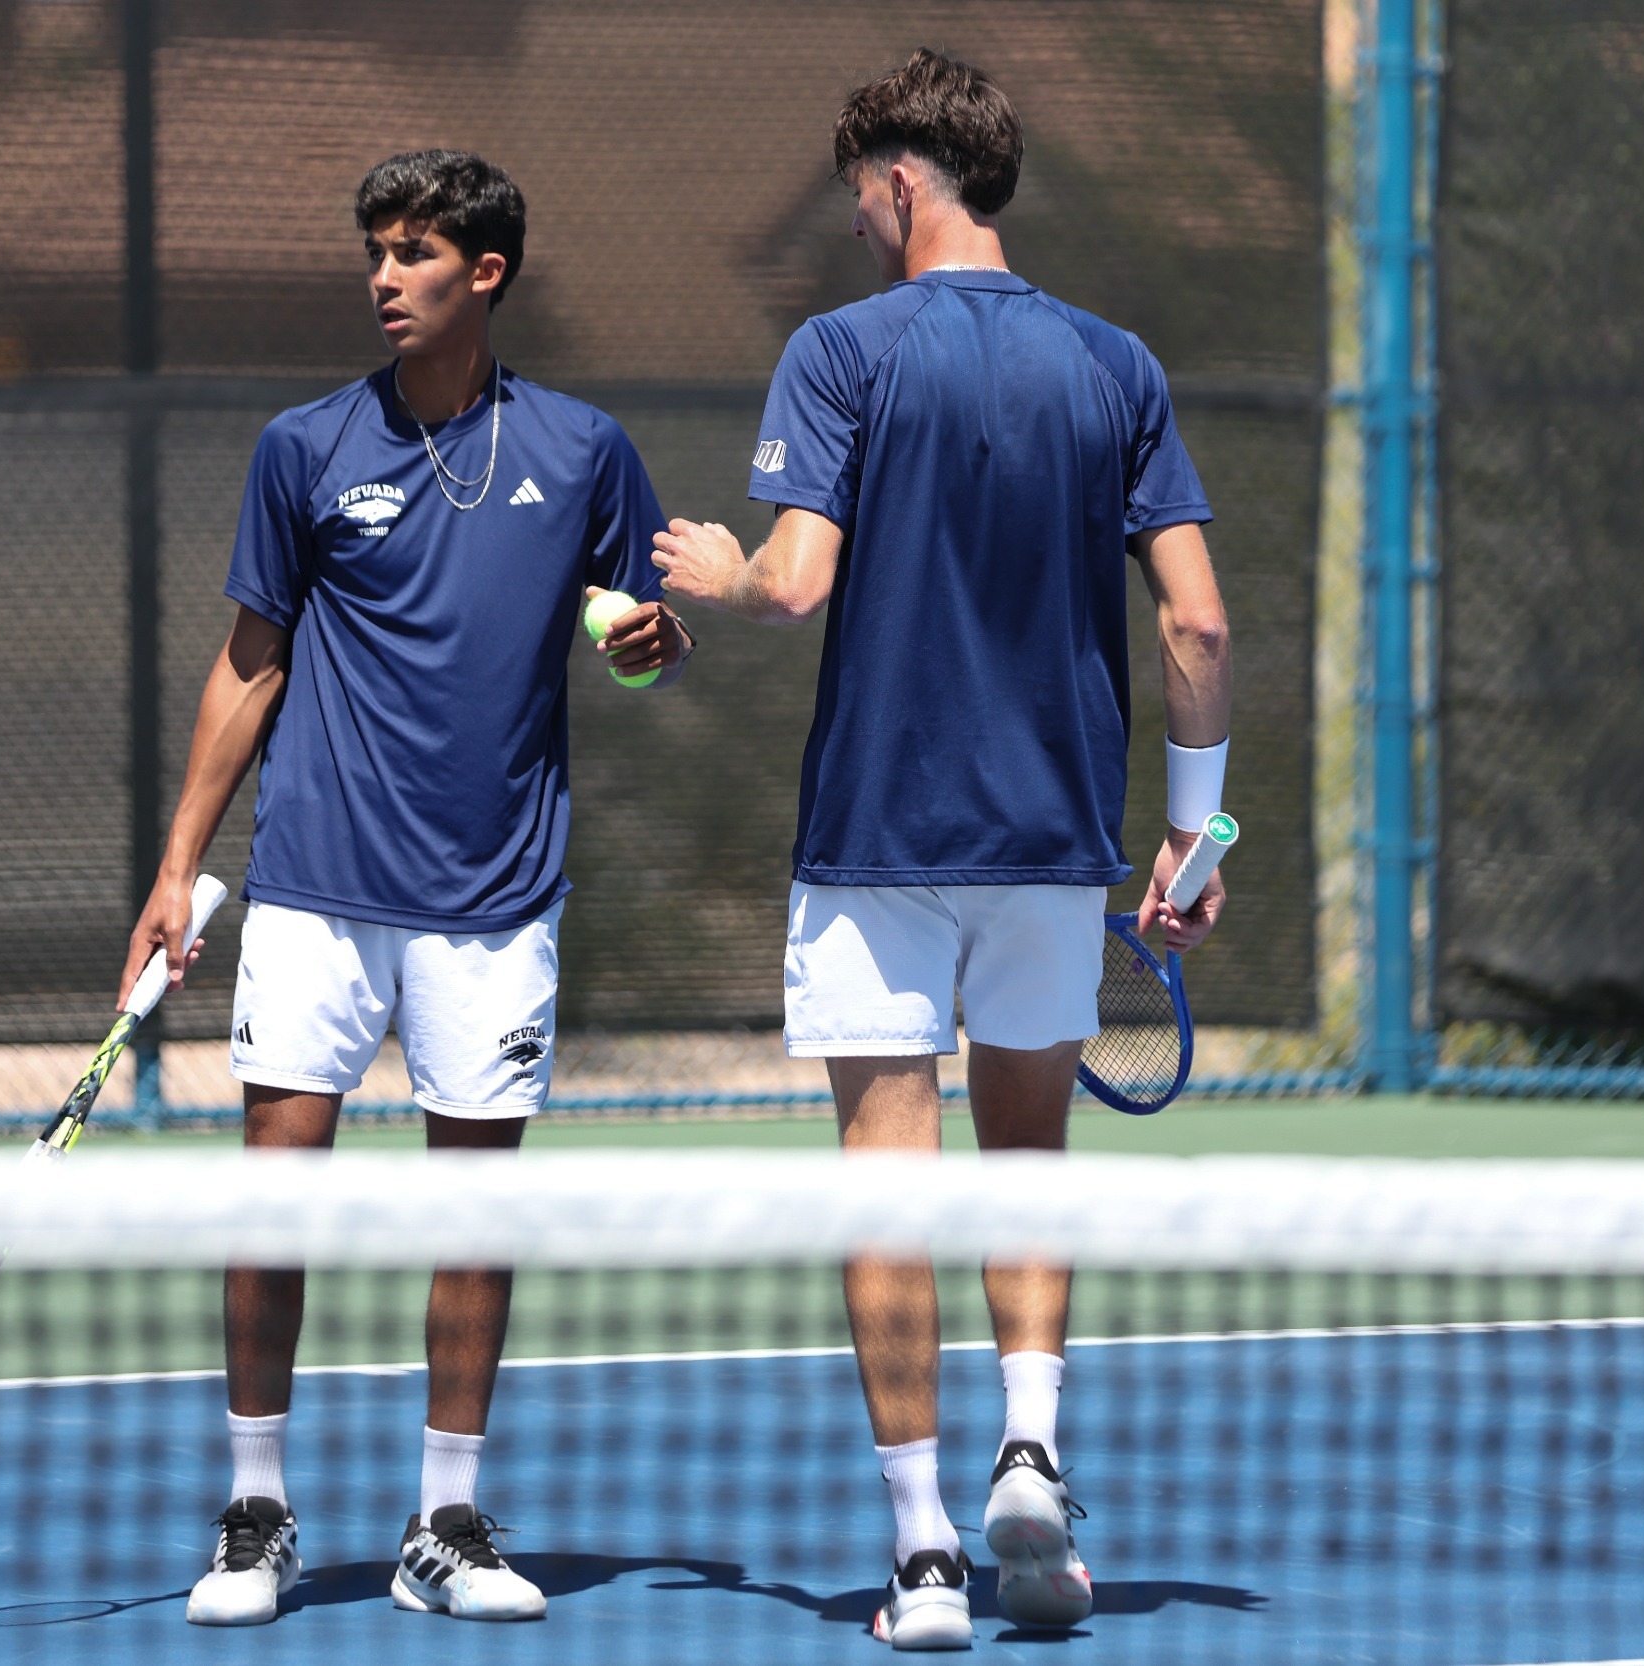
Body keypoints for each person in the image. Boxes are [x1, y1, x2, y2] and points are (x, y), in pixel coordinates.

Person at [652, 50, 1232, 1652]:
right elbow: (1197, 620)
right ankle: (1031, 1456)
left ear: (903, 178)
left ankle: (921, 1555)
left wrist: (714, 563)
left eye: (857, 190)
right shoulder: (1118, 365)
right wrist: (1199, 831)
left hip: (879, 843)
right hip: (1057, 846)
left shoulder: (838, 354)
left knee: (887, 1185)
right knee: (1029, 1164)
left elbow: (795, 581)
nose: (850, 218)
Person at [119, 148, 693, 1631]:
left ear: (484, 273)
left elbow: (639, 624)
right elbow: (251, 667)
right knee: (274, 1194)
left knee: (473, 1213)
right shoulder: (303, 449)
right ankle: (258, 1511)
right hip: (315, 884)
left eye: (416, 252)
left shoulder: (582, 450)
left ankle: (443, 1521)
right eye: (376, 250)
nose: (386, 275)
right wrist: (180, 866)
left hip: (498, 891)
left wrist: (650, 646)